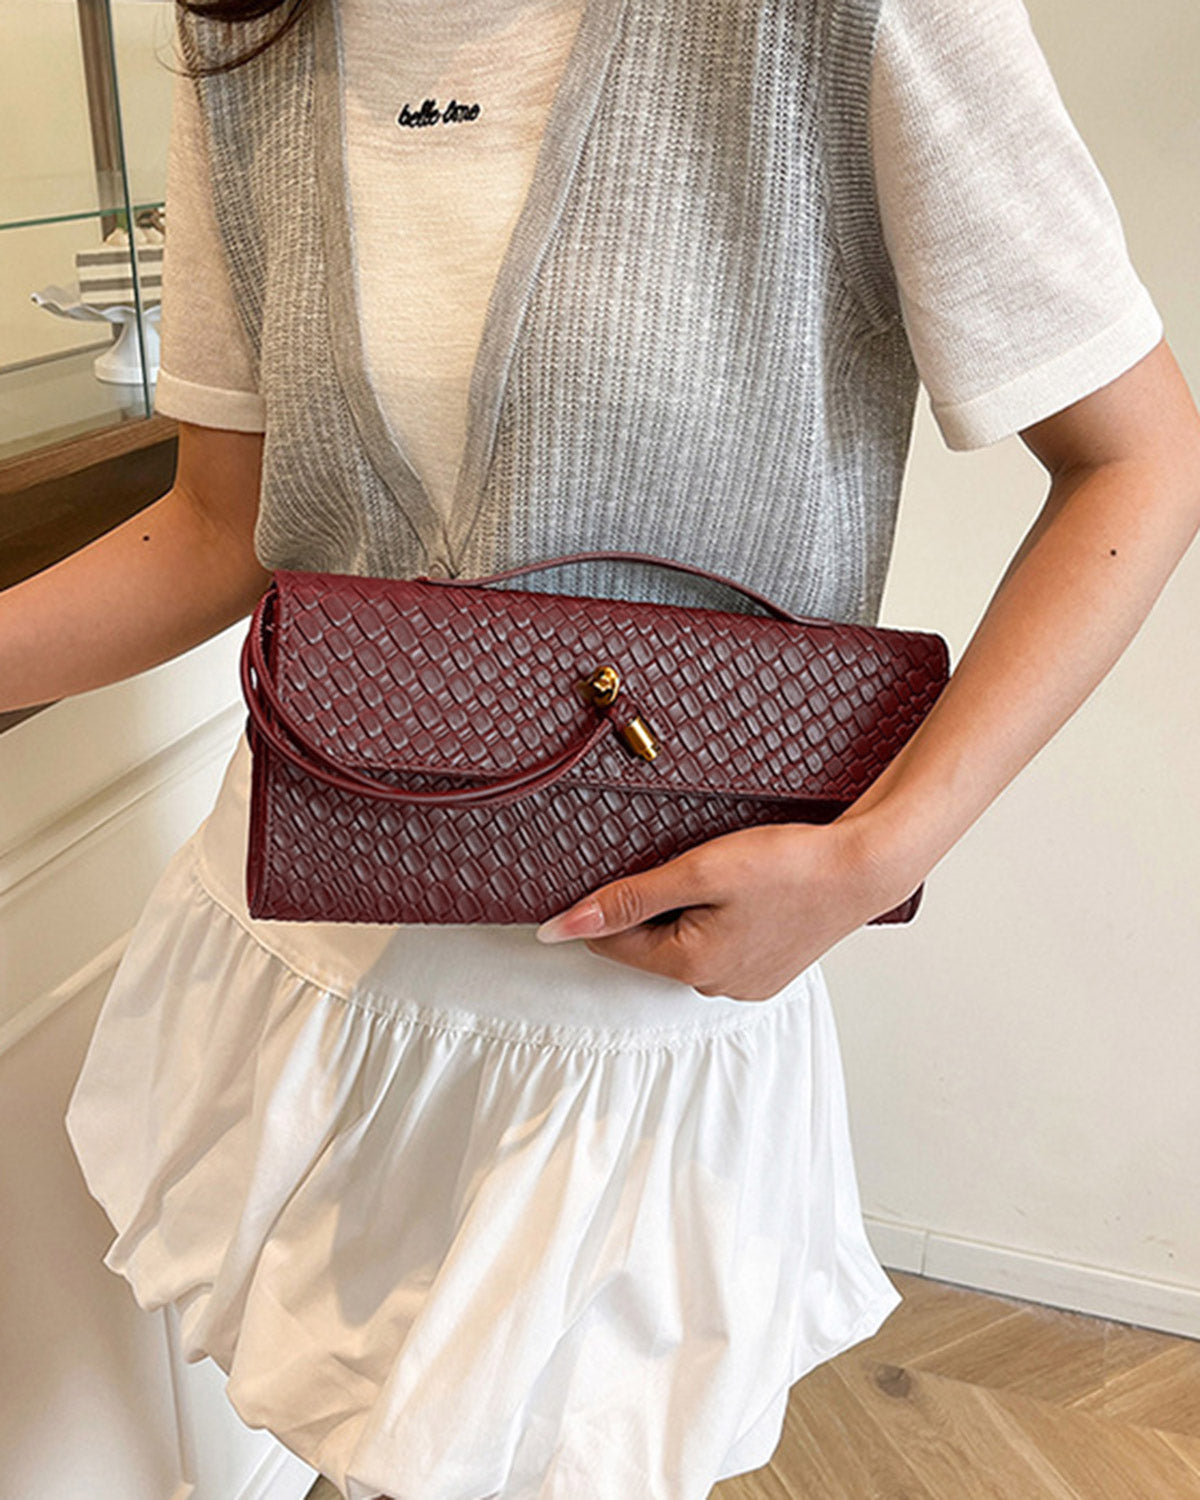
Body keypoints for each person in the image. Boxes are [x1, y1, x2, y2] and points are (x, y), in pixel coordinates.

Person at [3, 0, 1197, 1496]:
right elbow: (218, 524)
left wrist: (877, 857)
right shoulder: (250, 32)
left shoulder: (845, 20)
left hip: (625, 1013)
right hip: (299, 970)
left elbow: (1139, 457)